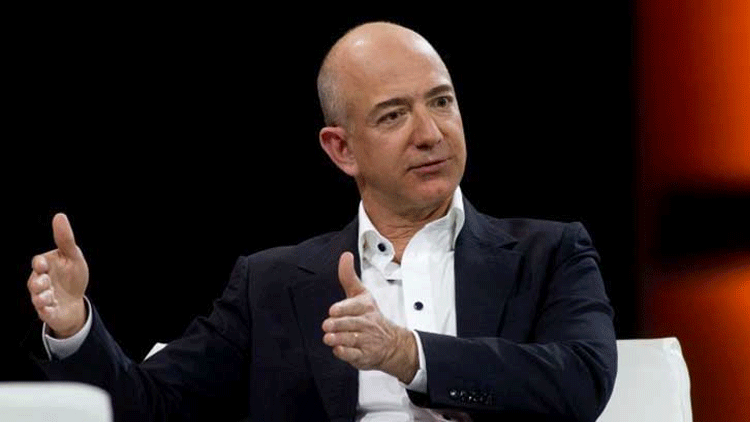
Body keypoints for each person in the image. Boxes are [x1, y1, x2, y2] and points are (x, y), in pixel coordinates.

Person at [25, 22, 617, 421]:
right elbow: (148, 405)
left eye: (441, 101)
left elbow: (582, 380)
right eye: (393, 115)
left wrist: (407, 354)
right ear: (342, 149)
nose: (430, 133)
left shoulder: (549, 253)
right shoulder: (271, 284)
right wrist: (75, 326)